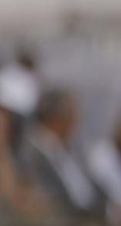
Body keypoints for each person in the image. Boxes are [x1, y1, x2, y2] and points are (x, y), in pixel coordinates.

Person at [22, 89, 104, 218]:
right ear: (57, 119)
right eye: (72, 117)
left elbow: (93, 189)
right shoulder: (30, 153)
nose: (76, 123)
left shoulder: (72, 150)